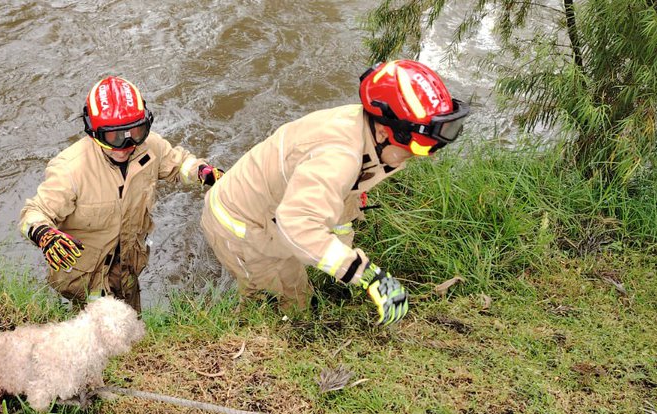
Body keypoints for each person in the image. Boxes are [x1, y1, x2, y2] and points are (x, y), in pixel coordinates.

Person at [199, 59, 469, 325]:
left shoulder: (367, 132)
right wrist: (366, 274)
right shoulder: (339, 157)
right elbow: (298, 225)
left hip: (271, 211)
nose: (425, 157)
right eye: (419, 149)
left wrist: (342, 248)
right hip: (239, 226)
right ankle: (253, 336)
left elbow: (342, 198)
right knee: (280, 300)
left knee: (295, 289)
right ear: (387, 132)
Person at [19, 76, 223, 312]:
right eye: (114, 137)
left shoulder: (150, 147)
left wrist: (204, 173)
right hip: (87, 280)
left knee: (133, 327)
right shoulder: (70, 169)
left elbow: (179, 164)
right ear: (93, 132)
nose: (126, 145)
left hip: (128, 267)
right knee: (97, 337)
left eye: (136, 132)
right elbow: (33, 213)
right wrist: (44, 234)